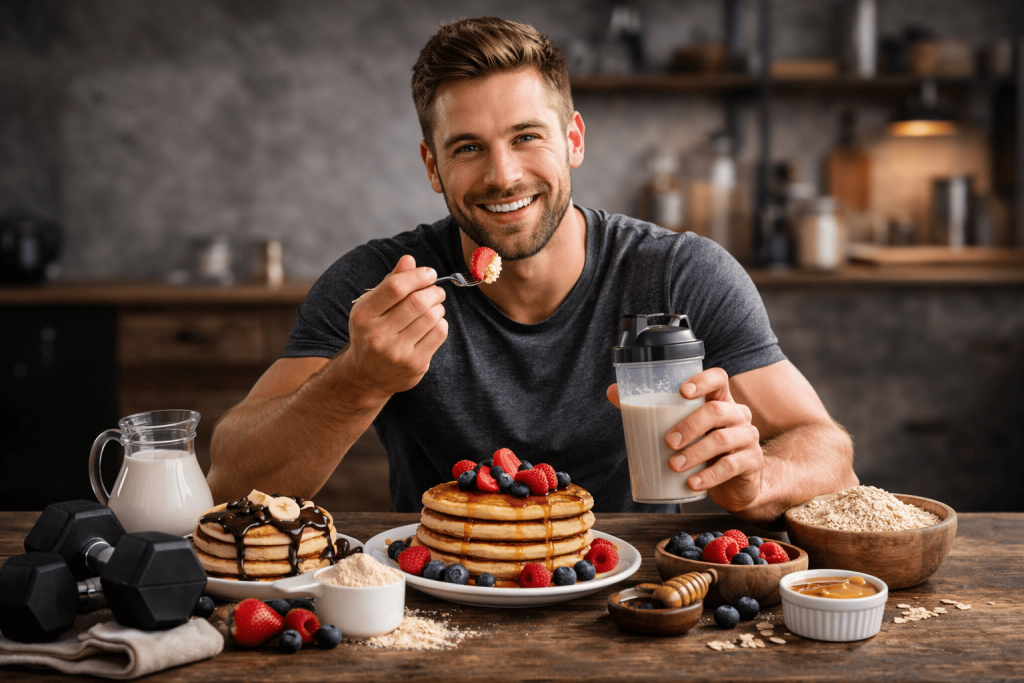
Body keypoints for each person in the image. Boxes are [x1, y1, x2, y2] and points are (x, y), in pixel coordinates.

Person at [208, 17, 857, 523]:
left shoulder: (679, 273)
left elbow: (827, 448)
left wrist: (757, 479)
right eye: (467, 148)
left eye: (527, 136)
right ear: (433, 167)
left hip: (632, 605)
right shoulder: (379, 283)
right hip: (439, 594)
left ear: (573, 139)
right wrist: (356, 379)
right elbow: (231, 479)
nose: (503, 175)